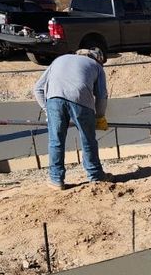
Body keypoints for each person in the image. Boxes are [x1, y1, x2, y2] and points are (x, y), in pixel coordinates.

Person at [33, 48, 110, 190]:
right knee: (88, 139)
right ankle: (95, 176)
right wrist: (99, 117)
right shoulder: (96, 67)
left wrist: (47, 110)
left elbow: (37, 88)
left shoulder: (60, 59)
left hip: (54, 98)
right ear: (98, 59)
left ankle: (56, 180)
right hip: (80, 98)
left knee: (56, 141)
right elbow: (101, 95)